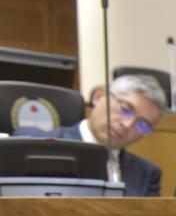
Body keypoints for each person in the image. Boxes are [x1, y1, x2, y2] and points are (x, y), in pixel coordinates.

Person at [14, 73, 165, 196]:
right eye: (125, 109)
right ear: (99, 97)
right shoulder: (39, 144)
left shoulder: (147, 174)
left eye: (142, 125)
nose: (127, 125)